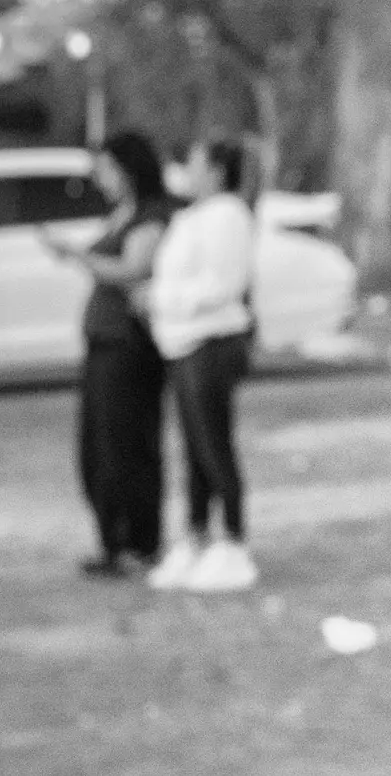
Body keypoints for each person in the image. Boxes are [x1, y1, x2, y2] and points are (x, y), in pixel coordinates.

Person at [40, 131, 174, 578]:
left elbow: (134, 269)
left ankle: (138, 541)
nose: (101, 179)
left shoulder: (151, 216)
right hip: (102, 343)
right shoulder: (123, 214)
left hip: (129, 346)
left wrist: (77, 255)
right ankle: (112, 539)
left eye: (106, 170)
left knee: (128, 444)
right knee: (97, 448)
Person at [146, 136, 259, 593]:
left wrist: (161, 300)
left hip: (210, 343)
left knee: (214, 446)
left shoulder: (229, 215)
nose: (185, 172)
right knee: (194, 449)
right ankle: (195, 536)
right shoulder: (194, 215)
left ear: (215, 172)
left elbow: (222, 284)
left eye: (193, 164)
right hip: (182, 342)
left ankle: (233, 539)